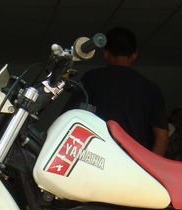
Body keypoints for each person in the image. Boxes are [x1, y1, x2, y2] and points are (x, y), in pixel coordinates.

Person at [71, 27, 168, 156]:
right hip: (135, 163)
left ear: (105, 53)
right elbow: (162, 139)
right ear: (134, 55)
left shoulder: (91, 79)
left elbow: (71, 122)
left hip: (97, 161)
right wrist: (146, 167)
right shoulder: (151, 89)